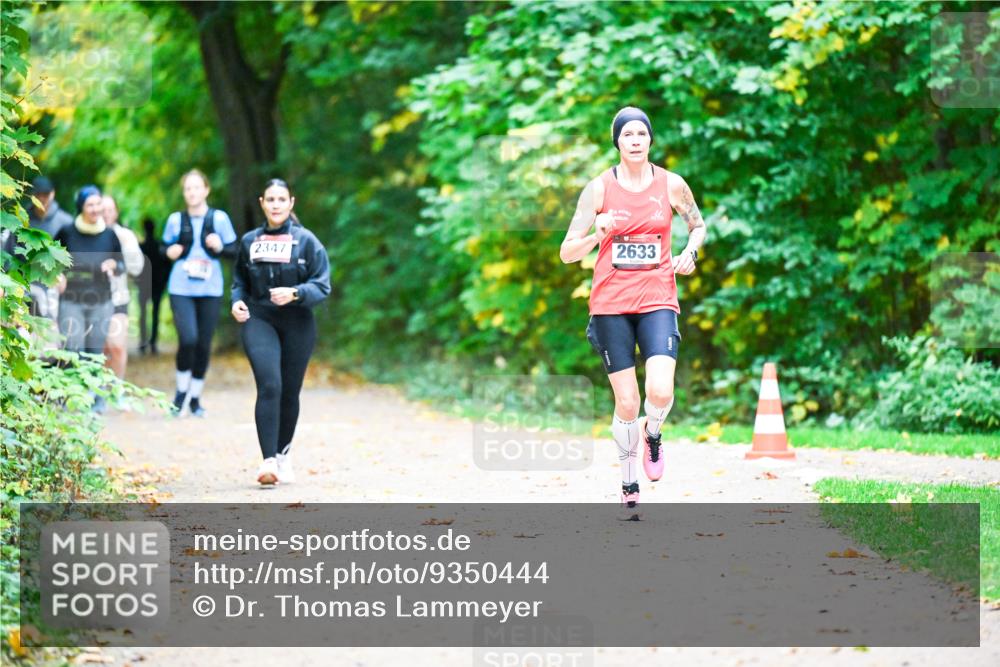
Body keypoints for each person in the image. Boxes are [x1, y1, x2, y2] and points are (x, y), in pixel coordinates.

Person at [559, 107, 707, 519]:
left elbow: (698, 225)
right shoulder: (598, 190)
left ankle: (653, 432)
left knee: (659, 392)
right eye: (628, 134)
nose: (636, 140)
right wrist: (596, 233)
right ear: (618, 142)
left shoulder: (672, 185)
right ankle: (628, 478)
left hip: (658, 298)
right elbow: (567, 251)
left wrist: (690, 252)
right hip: (610, 305)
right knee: (627, 400)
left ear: (650, 140)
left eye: (642, 133)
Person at [231, 179, 330, 486]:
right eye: (270, 199)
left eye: (281, 199)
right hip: (260, 319)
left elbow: (322, 285)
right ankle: (268, 461)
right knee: (270, 384)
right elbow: (239, 282)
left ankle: (283, 454)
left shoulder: (306, 241)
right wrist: (236, 303)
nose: (275, 204)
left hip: (298, 322)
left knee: (289, 390)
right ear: (262, 202)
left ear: (291, 203)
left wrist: (296, 293)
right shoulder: (249, 241)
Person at [163, 169, 237, 416]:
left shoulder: (220, 219)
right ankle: (180, 394)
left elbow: (234, 250)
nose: (192, 192)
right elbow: (164, 247)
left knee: (204, 344)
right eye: (187, 188)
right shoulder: (175, 220)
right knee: (189, 339)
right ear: (184, 193)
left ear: (206, 190)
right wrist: (169, 251)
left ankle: (195, 399)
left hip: (210, 288)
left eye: (196, 187)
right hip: (181, 288)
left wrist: (221, 246)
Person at [54, 185, 124, 413]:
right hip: (72, 299)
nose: (95, 209)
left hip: (101, 299)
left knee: (95, 350)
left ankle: (96, 399)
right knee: (72, 348)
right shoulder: (67, 232)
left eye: (98, 204)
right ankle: (72, 398)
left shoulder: (110, 234)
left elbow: (121, 264)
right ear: (81, 208)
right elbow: (52, 259)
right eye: (90, 205)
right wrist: (57, 275)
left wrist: (114, 265)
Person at [2, 176, 74, 321]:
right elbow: (9, 253)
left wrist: (64, 275)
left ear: (53, 194)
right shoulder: (21, 220)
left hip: (54, 285)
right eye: (38, 195)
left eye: (45, 194)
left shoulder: (65, 222)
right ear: (32, 196)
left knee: (50, 329)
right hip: (24, 283)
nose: (42, 199)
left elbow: (73, 255)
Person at [101, 195, 145, 379]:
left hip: (118, 297)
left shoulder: (125, 236)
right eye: (102, 210)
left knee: (117, 346)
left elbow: (137, 268)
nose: (106, 214)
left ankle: (117, 388)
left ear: (116, 212)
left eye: (110, 210)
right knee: (100, 348)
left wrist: (128, 248)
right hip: (91, 298)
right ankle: (99, 391)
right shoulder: (88, 235)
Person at [138, 217, 171, 355]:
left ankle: (144, 342)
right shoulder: (159, 246)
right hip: (157, 284)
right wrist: (164, 282)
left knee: (143, 314)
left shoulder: (141, 247)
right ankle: (152, 343)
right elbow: (168, 266)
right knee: (154, 314)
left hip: (145, 284)